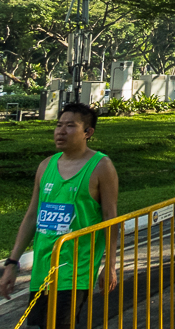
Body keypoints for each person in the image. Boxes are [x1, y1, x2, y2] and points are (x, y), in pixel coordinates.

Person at [1, 104, 120, 329]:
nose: (60, 131)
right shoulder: (46, 166)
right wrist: (12, 263)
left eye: (70, 126)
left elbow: (110, 217)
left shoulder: (101, 166)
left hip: (75, 271)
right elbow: (31, 215)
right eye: (58, 125)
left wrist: (111, 265)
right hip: (42, 269)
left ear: (88, 132)